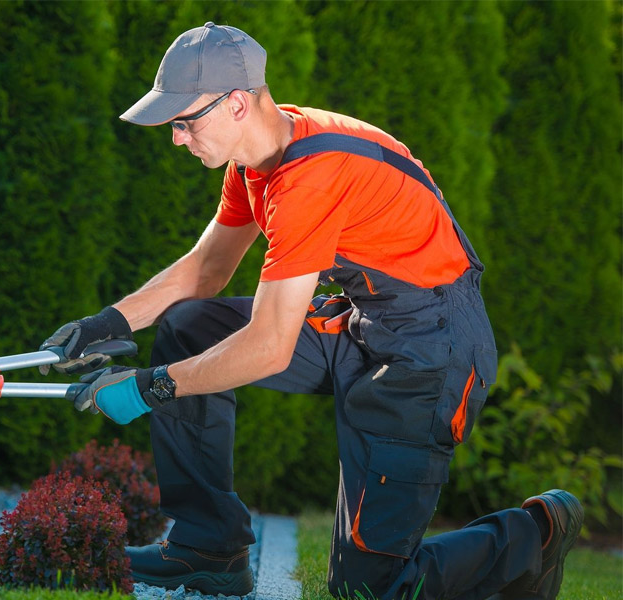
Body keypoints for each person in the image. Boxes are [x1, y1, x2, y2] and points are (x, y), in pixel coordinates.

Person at [39, 22, 582, 600]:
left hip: (431, 352)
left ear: (238, 104)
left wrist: (151, 387)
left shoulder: (310, 178)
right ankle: (207, 547)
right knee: (189, 326)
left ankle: (535, 534)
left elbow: (269, 346)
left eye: (184, 121)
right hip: (365, 323)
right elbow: (206, 270)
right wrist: (107, 324)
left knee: (370, 592)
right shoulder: (257, 162)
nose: (176, 138)